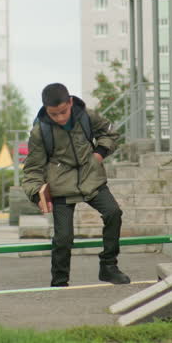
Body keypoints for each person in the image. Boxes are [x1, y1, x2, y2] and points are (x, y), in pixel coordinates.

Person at [20, 83, 130, 287]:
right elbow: (32, 169)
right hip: (60, 185)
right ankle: (59, 281)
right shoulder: (39, 132)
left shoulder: (87, 116)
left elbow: (111, 134)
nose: (60, 117)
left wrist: (99, 155)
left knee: (113, 213)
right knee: (63, 238)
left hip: (92, 178)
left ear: (70, 102)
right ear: (46, 109)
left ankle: (109, 267)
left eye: (63, 111)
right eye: (54, 114)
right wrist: (36, 194)